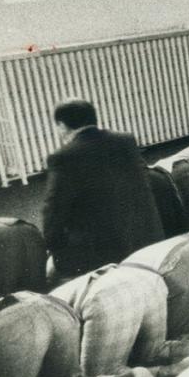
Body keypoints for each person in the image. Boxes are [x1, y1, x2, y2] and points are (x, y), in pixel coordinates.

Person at [41, 100, 165, 279]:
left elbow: (53, 212)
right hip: (146, 237)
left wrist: (53, 249)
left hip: (103, 252)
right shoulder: (125, 140)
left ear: (61, 125)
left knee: (50, 275)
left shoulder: (64, 157)